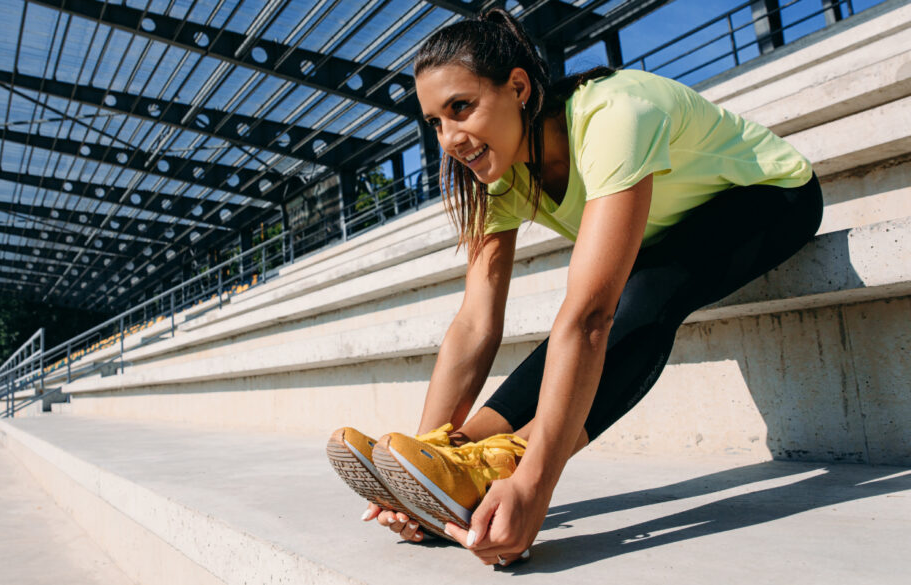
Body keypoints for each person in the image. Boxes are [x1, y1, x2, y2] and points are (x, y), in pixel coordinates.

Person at [327, 7, 822, 567]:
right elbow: (474, 323)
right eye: (435, 122)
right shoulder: (504, 176)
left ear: (517, 86)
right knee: (608, 306)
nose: (449, 138)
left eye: (460, 108)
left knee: (628, 302)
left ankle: (508, 460)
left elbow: (589, 318)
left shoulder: (613, 116)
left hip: (771, 197)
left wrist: (535, 485)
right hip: (668, 237)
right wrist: (420, 462)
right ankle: (461, 457)